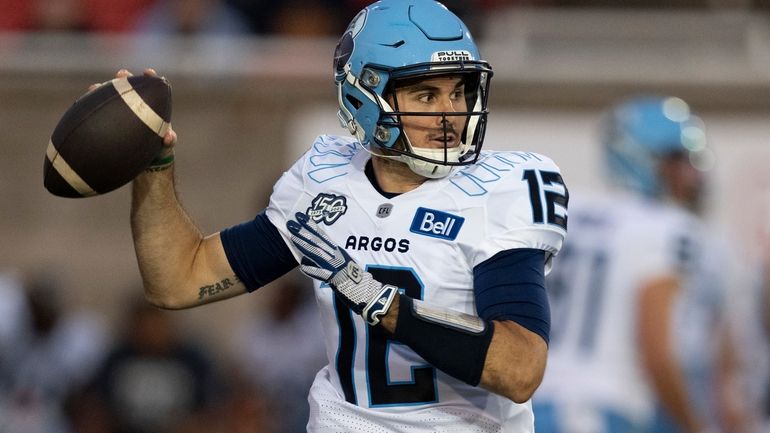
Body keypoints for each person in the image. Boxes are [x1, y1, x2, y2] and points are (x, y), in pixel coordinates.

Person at [111, 0, 568, 431]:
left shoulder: (499, 189)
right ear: (364, 99)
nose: (451, 114)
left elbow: (520, 368)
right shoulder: (324, 179)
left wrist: (376, 300)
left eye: (460, 91)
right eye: (426, 95)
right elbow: (178, 279)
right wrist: (154, 167)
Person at [532, 95, 744, 433]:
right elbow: (657, 352)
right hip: (602, 409)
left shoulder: (570, 211)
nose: (688, 174)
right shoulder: (667, 226)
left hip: (531, 402)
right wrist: (695, 425)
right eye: (676, 160)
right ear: (639, 159)